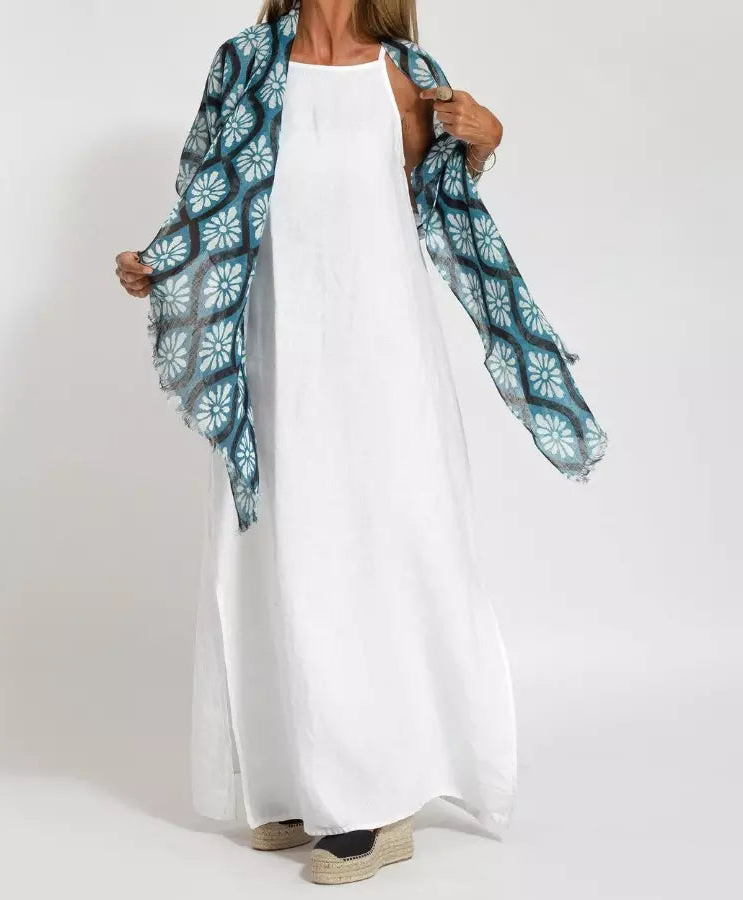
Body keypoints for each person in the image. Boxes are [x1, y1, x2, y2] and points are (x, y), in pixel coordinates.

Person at [115, 0, 607, 886]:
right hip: (274, 351)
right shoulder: (246, 61)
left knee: (371, 554)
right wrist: (162, 263)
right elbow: (208, 199)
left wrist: (484, 143)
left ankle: (377, 799)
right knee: (273, 553)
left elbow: (438, 206)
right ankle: (294, 781)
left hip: (381, 356)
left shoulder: (406, 75)